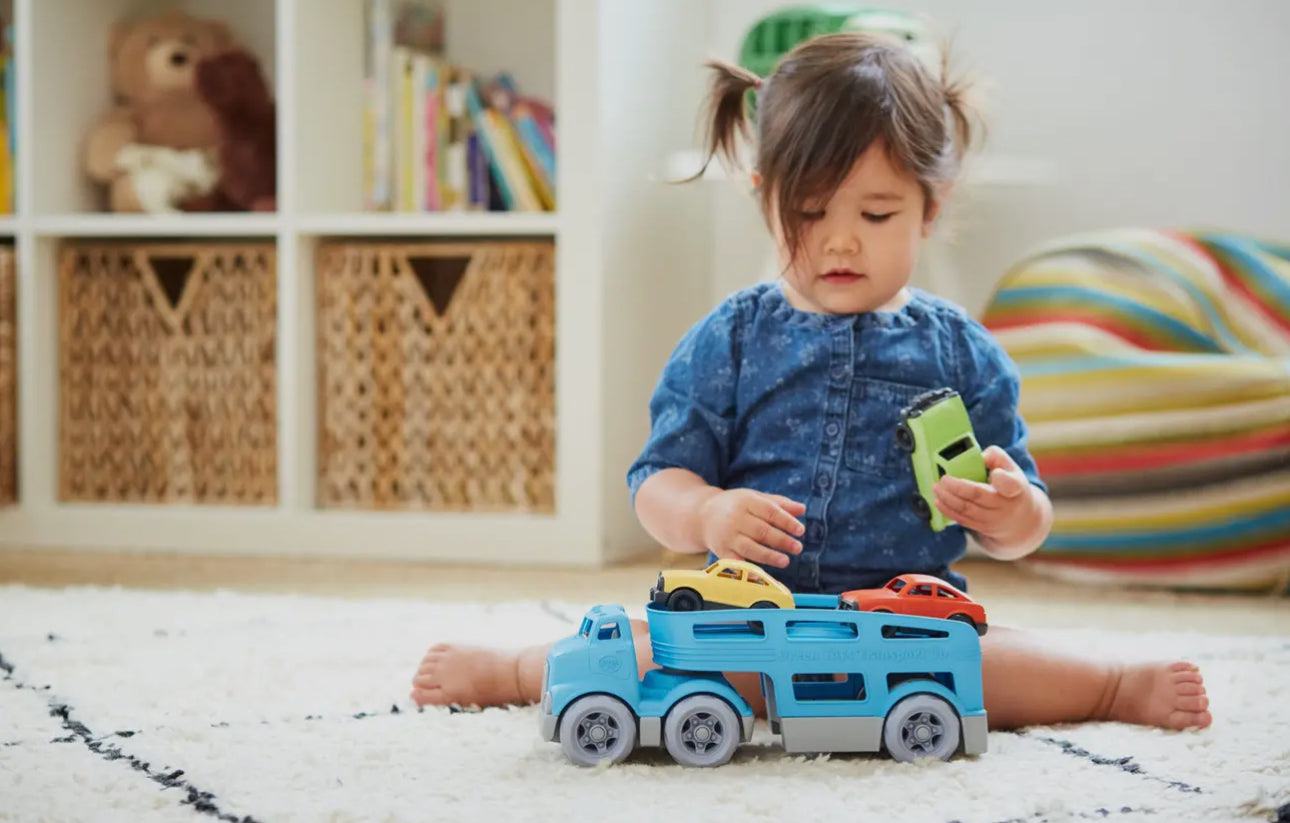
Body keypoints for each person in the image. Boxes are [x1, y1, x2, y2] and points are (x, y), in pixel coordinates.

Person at [411, 33, 1211, 732]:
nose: (841, 243)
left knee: (987, 667)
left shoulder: (964, 353)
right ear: (765, 198)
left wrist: (1009, 511)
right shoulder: (730, 337)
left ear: (929, 209)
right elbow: (656, 482)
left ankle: (1111, 683)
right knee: (636, 651)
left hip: (905, 619)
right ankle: (517, 669)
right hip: (748, 616)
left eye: (875, 215)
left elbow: (1027, 523)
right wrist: (709, 510)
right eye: (812, 211)